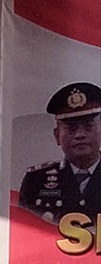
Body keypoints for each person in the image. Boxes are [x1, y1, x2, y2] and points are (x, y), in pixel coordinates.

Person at [18, 82, 101, 224]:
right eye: (71, 128)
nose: (80, 135)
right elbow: (24, 229)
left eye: (88, 126)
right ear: (57, 136)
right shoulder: (36, 180)